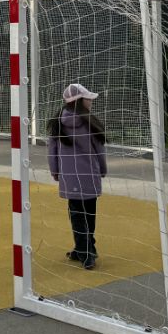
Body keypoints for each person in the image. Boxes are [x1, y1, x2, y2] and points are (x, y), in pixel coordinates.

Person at [48, 82, 107, 270]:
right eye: (88, 99)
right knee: (89, 215)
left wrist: (55, 171)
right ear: (80, 101)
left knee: (77, 216)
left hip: (70, 178)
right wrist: (103, 169)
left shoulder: (58, 123)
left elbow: (52, 150)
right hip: (90, 177)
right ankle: (87, 251)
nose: (91, 102)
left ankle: (83, 250)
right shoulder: (90, 123)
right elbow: (100, 151)